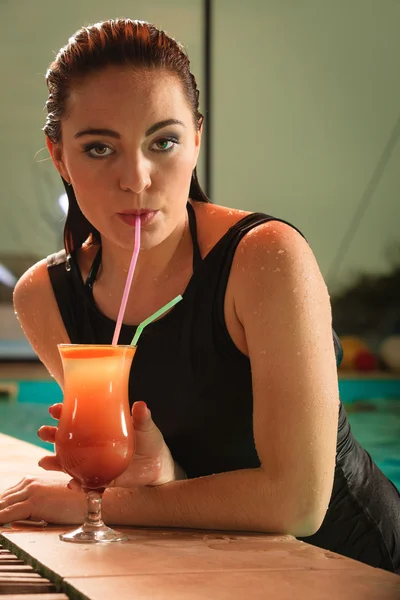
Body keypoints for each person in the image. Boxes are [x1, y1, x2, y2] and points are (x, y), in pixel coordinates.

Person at [0, 18, 399, 573]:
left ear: (196, 140)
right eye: (98, 148)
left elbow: (298, 504)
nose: (136, 178)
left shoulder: (265, 260)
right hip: (213, 565)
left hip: (355, 563)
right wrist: (159, 474)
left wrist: (90, 506)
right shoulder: (45, 298)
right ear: (59, 155)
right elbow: (167, 486)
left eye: (163, 142)